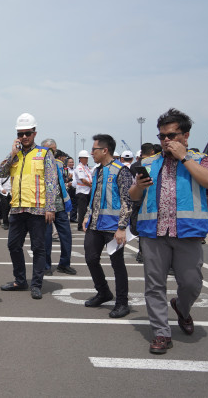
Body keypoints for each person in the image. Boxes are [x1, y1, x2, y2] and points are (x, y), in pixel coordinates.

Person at [130, 108, 208, 354]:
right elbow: (134, 196)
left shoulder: (200, 160)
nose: (166, 141)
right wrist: (139, 186)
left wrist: (184, 158)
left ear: (186, 136)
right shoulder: (148, 163)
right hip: (153, 233)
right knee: (154, 285)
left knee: (191, 283)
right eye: (162, 136)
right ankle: (161, 332)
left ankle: (182, 307)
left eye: (172, 135)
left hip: (188, 233)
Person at [0, 113, 58, 300]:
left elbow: (51, 181)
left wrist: (50, 207)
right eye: (20, 133)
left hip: (37, 209)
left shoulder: (44, 154)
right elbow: (0, 172)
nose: (24, 137)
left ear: (34, 133)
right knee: (13, 245)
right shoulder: (14, 156)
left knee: (38, 248)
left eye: (27, 133)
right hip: (17, 208)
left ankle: (36, 284)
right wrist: (11, 155)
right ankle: (20, 280)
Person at [82, 134, 133, 319]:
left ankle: (122, 303)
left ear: (105, 150)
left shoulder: (121, 171)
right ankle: (103, 292)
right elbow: (94, 197)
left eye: (94, 149)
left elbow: (127, 200)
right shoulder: (97, 171)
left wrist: (121, 227)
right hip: (95, 225)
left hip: (113, 228)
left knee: (117, 265)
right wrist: (87, 216)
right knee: (90, 258)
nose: (91, 153)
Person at [40, 139, 76, 276]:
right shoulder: (40, 163)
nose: (54, 152)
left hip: (60, 206)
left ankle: (64, 264)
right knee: (46, 237)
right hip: (46, 207)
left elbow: (60, 182)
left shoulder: (58, 164)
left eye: (54, 149)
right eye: (51, 150)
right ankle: (46, 265)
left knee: (66, 235)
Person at [129, 142, 157, 263]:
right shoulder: (153, 164)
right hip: (149, 200)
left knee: (140, 227)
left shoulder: (134, 165)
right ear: (152, 152)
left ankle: (141, 252)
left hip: (136, 198)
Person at [74, 150, 92, 231]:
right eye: (85, 158)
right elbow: (83, 180)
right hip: (82, 191)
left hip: (87, 191)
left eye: (87, 158)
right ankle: (80, 226)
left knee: (87, 209)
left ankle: (86, 224)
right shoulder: (79, 168)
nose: (87, 159)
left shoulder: (86, 167)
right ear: (80, 159)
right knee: (82, 210)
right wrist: (92, 186)